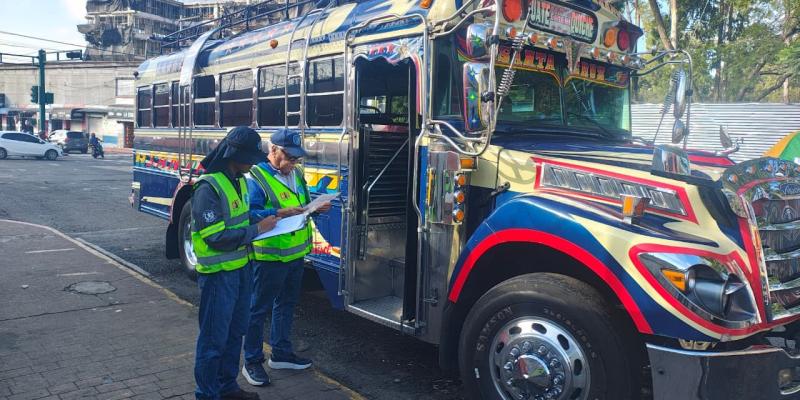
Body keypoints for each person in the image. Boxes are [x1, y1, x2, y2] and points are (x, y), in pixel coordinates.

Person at [191, 126, 279, 400]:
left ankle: (227, 387)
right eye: (250, 158)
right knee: (213, 340)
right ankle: (207, 394)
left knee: (234, 334)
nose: (253, 163)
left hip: (241, 270)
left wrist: (276, 214)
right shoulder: (208, 187)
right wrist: (258, 229)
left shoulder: (239, 181)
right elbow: (215, 236)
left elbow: (242, 217)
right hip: (218, 276)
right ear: (234, 155)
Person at [241, 129, 331, 386]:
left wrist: (316, 207)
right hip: (269, 256)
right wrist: (280, 212)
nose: (294, 162)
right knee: (258, 309)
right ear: (273, 150)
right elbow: (249, 215)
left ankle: (280, 354)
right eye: (290, 157)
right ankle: (252, 362)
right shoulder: (256, 177)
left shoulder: (297, 174)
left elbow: (302, 207)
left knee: (286, 304)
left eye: (297, 158)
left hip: (295, 253)